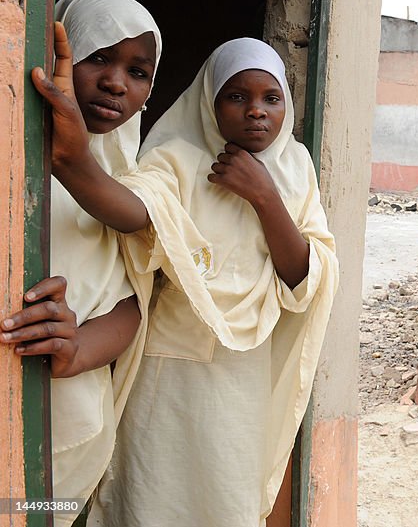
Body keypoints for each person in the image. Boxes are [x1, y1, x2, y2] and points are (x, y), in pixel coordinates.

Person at [37, 37, 339, 526]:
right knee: (151, 499)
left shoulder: (295, 169)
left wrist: (264, 196)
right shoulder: (175, 159)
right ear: (209, 101)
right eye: (236, 97)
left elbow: (306, 276)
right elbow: (134, 212)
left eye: (271, 98)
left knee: (224, 502)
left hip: (241, 380)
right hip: (165, 376)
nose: (256, 111)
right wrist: (72, 160)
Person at [2, 0, 161, 526]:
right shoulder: (14, 158)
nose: (117, 82)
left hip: (75, 428)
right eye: (99, 58)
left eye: (138, 71)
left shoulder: (131, 181)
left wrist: (77, 348)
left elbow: (134, 303)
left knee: (39, 515)